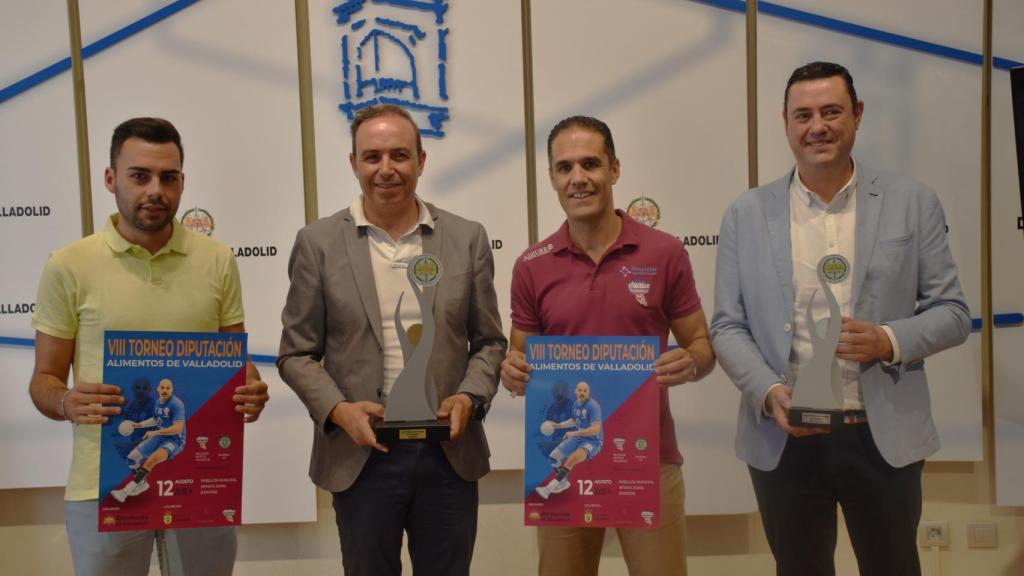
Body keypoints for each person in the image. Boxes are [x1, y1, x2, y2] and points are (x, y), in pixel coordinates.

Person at [710, 61, 971, 575]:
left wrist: (888, 339)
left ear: (857, 115)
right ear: (785, 122)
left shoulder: (911, 202)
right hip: (785, 435)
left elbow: (954, 313)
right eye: (803, 114)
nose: (818, 126)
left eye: (831, 111)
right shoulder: (746, 212)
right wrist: (766, 390)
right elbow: (726, 325)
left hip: (881, 434)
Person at [28, 117, 270, 576]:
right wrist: (65, 402)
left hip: (200, 480)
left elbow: (235, 359)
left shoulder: (217, 260)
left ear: (182, 182)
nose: (155, 189)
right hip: (101, 481)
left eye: (169, 177)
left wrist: (250, 386)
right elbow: (44, 380)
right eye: (139, 176)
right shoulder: (69, 265)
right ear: (110, 178)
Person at [277, 104, 506, 576]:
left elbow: (489, 342)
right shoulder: (317, 244)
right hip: (362, 455)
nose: (386, 170)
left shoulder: (466, 238)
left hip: (448, 453)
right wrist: (340, 411)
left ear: (421, 161)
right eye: (372, 157)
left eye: (399, 155)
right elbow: (296, 353)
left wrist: (469, 396)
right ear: (354, 163)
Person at [501, 115, 715, 576]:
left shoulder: (664, 253)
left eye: (591, 163)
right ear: (552, 178)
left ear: (614, 169)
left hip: (648, 455)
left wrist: (691, 362)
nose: (578, 178)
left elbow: (701, 345)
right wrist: (513, 372)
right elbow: (521, 361)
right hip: (563, 463)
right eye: (564, 168)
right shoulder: (531, 266)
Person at [112, 378, 186, 502]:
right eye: (162, 387)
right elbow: (156, 420)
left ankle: (125, 492)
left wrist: (155, 432)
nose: (165, 390)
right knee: (132, 458)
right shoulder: (158, 402)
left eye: (168, 388)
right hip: (160, 436)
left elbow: (178, 428)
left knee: (152, 459)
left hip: (175, 440)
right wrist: (138, 425)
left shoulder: (176, 404)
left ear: (172, 390)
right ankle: (142, 484)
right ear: (158, 389)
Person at [535, 381, 603, 499]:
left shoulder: (593, 406)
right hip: (579, 436)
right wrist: (558, 425)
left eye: (585, 390)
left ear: (589, 393)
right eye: (580, 390)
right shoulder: (576, 403)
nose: (582, 393)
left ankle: (548, 489)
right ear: (575, 391)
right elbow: (574, 420)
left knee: (572, 459)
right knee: (553, 457)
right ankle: (563, 482)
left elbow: (596, 429)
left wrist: (574, 433)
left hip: (593, 441)